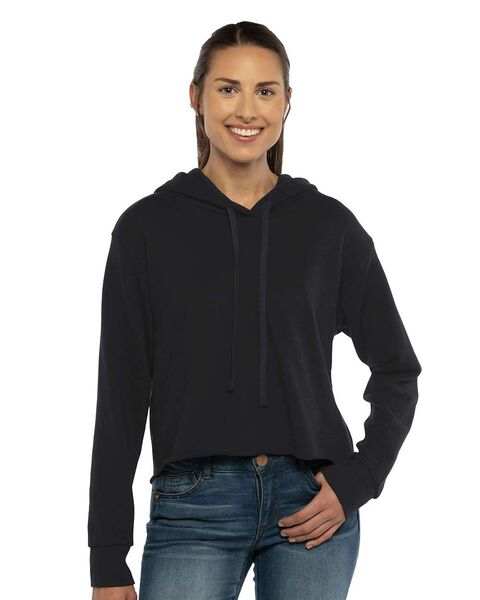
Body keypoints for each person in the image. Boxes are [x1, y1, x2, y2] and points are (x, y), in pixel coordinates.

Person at [88, 21, 422, 600]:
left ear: (287, 102)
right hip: (193, 506)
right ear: (196, 96)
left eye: (265, 91)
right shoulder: (146, 229)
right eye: (228, 88)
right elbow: (120, 398)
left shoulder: (329, 227)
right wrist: (107, 557)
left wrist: (361, 478)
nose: (247, 109)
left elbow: (397, 369)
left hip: (312, 505)